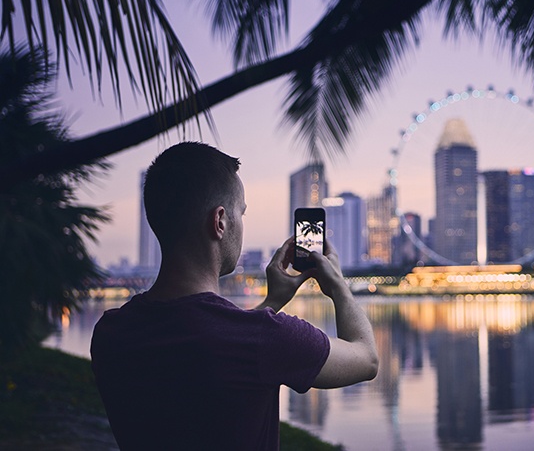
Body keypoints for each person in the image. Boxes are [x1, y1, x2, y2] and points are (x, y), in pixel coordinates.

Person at [91, 142, 378, 450]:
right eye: (241, 213)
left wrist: (271, 303)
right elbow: (366, 359)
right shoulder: (265, 339)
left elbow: (205, 342)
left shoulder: (111, 333)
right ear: (220, 221)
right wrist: (338, 286)